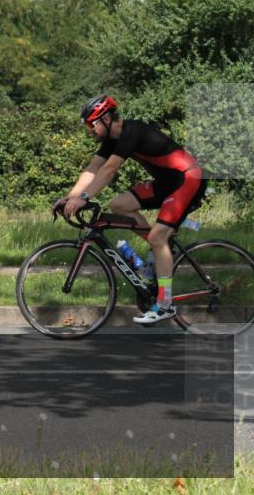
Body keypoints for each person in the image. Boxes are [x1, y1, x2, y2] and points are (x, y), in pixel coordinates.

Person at [55, 96, 206, 324]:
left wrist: (84, 198)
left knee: (157, 237)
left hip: (188, 178)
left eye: (91, 124)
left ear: (106, 119)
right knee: (119, 205)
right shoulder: (111, 140)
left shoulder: (132, 130)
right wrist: (70, 197)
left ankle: (164, 305)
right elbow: (93, 169)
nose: (89, 130)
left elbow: (109, 169)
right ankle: (161, 251)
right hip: (167, 183)